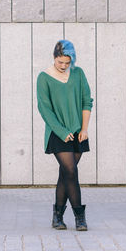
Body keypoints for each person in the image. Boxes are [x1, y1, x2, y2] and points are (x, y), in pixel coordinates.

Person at [36, 40, 93, 231]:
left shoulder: (78, 74)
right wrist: (61, 131)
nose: (63, 66)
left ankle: (57, 217)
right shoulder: (44, 77)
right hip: (57, 132)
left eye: (67, 63)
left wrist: (84, 129)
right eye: (60, 62)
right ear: (54, 58)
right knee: (70, 171)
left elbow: (87, 101)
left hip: (78, 133)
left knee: (65, 175)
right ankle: (80, 216)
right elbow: (45, 109)